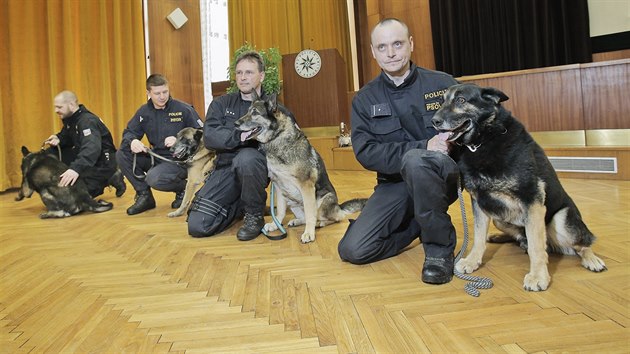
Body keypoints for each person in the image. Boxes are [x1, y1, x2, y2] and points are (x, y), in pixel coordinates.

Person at [337, 18, 460, 285]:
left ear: (411, 44)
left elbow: (474, 123)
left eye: (397, 44)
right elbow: (367, 152)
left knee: (417, 162)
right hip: (395, 184)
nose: (390, 53)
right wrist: (423, 146)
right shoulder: (365, 99)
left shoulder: (442, 84)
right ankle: (417, 225)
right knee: (353, 250)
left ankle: (439, 250)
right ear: (373, 52)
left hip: (440, 178)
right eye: (382, 47)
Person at [187, 51, 295, 240]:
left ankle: (253, 214)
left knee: (247, 158)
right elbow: (211, 137)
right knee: (198, 226)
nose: (243, 77)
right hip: (225, 171)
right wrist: (244, 135)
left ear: (261, 76)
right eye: (239, 73)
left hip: (254, 171)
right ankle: (238, 206)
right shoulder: (221, 104)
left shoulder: (275, 111)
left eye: (249, 72)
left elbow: (293, 144)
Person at [116, 74, 203, 215]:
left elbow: (202, 133)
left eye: (165, 92)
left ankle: (183, 188)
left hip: (178, 160)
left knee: (153, 178)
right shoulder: (143, 112)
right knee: (122, 153)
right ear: (148, 93)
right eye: (157, 93)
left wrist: (179, 140)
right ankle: (144, 196)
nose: (162, 96)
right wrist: (133, 141)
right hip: (155, 156)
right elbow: (129, 132)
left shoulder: (183, 109)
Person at [44, 90, 126, 198]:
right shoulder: (72, 119)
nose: (56, 110)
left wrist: (75, 169)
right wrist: (59, 138)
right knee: (49, 154)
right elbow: (68, 136)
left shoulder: (87, 121)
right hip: (89, 159)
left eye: (59, 107)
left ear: (71, 105)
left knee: (76, 197)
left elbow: (91, 148)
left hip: (102, 162)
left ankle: (112, 175)